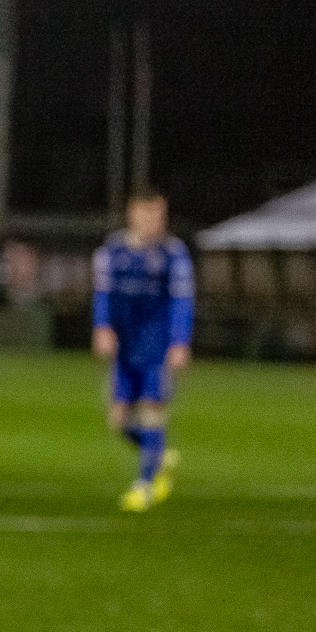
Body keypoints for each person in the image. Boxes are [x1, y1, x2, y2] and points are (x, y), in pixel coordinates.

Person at [93, 189, 193, 512]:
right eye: (147, 215)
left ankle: (146, 485)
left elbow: (182, 301)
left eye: (159, 215)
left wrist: (179, 342)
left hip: (157, 348)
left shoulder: (174, 254)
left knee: (152, 412)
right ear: (132, 215)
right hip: (125, 348)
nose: (154, 222)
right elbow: (103, 294)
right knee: (118, 421)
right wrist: (102, 327)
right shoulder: (112, 252)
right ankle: (158, 455)